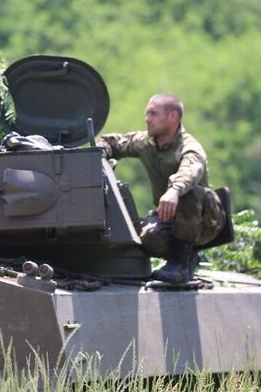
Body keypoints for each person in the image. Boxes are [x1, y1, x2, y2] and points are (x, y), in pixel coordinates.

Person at [95, 94, 225, 284]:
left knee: (188, 192)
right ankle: (188, 256)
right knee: (146, 239)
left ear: (173, 117)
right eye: (147, 114)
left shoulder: (189, 147)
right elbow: (113, 143)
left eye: (153, 114)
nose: (147, 119)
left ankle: (179, 265)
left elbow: (191, 172)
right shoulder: (146, 142)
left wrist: (174, 190)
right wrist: (100, 152)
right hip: (170, 217)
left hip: (205, 221)